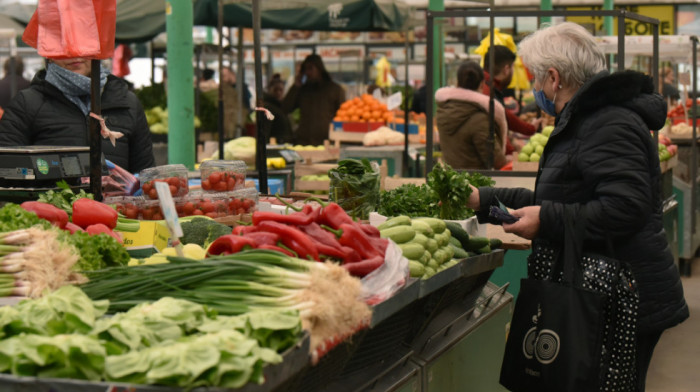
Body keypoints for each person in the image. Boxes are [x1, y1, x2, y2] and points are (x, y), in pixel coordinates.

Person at [468, 22, 688, 391]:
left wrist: (547, 219)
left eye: (537, 78)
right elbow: (558, 201)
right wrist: (482, 202)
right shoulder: (586, 120)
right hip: (603, 293)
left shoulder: (608, 122)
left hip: (621, 297)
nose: (536, 87)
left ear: (554, 78)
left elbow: (625, 208)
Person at [0, 57, 155, 173]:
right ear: (49, 53)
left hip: (116, 215)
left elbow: (145, 173)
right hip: (51, 215)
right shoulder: (27, 103)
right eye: (64, 45)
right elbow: (7, 171)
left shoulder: (128, 103)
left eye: (84, 45)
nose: (75, 54)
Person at [435, 60, 508, 170]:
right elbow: (496, 160)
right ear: (482, 84)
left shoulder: (443, 112)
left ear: (457, 83)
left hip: (451, 179)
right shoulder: (480, 120)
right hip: (476, 183)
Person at [482, 45, 542, 152]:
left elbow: (504, 115)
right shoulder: (486, 91)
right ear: (506, 69)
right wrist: (511, 150)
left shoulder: (487, 85)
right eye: (512, 67)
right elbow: (493, 125)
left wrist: (530, 128)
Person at [282, 54, 345, 146]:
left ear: (319, 69)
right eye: (305, 70)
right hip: (304, 142)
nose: (307, 73)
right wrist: (295, 87)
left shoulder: (334, 90)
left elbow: (342, 116)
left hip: (327, 141)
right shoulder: (302, 90)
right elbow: (285, 108)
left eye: (310, 68)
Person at [262, 74, 293, 144]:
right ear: (269, 89)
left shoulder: (282, 107)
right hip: (275, 146)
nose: (278, 92)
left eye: (281, 90)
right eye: (275, 90)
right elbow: (265, 131)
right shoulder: (268, 108)